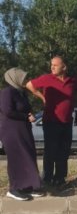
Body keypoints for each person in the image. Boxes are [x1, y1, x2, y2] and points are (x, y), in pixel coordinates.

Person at [26, 56, 77, 188]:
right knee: (51, 151)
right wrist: (42, 97)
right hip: (51, 121)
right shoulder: (47, 78)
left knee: (64, 151)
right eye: (51, 65)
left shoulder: (73, 81)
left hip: (67, 121)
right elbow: (29, 85)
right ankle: (47, 179)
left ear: (64, 67)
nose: (52, 67)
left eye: (55, 65)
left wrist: (70, 103)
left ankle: (60, 178)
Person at [0, 68, 44, 200]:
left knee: (28, 155)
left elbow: (25, 108)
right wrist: (26, 116)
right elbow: (7, 111)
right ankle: (15, 189)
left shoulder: (21, 92)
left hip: (23, 129)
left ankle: (28, 186)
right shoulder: (7, 92)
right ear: (15, 78)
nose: (25, 80)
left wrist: (30, 113)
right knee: (17, 158)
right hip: (11, 131)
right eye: (23, 77)